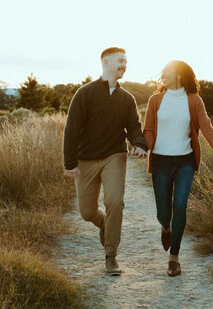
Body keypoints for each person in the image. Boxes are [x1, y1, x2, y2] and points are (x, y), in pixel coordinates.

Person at [63, 47, 147, 276]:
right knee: (87, 212)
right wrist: (69, 163)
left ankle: (111, 256)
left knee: (115, 201)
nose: (124, 65)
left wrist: (140, 144)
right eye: (120, 61)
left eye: (126, 62)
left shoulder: (127, 99)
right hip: (86, 159)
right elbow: (71, 130)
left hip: (114, 156)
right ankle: (104, 225)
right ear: (106, 62)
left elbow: (134, 128)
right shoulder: (84, 93)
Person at [143, 60, 213, 277]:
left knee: (180, 206)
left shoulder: (194, 101)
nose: (163, 74)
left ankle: (174, 258)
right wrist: (144, 148)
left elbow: (206, 127)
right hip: (161, 162)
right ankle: (166, 227)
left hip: (185, 162)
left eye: (167, 71)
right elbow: (149, 130)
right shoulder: (155, 100)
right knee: (163, 213)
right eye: (162, 71)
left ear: (180, 75)